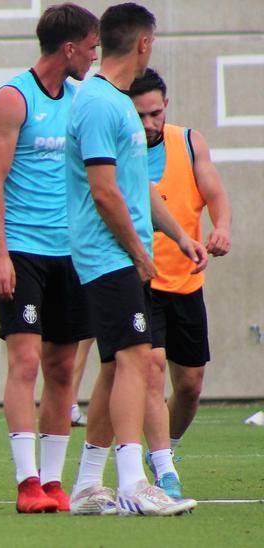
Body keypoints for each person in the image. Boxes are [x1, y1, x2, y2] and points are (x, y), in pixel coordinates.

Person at [63, 2, 206, 517]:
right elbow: (104, 193)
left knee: (113, 367)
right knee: (136, 360)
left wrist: (180, 235)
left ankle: (85, 486)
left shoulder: (117, 102)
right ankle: (132, 482)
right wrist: (139, 252)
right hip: (107, 256)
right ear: (143, 43)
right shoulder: (101, 104)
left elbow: (135, 186)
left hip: (117, 254)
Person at [0, 3, 99, 513]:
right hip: (24, 253)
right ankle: (27, 481)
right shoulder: (13, 98)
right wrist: (0, 256)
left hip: (69, 254)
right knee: (26, 362)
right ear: (68, 47)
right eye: (91, 48)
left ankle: (53, 483)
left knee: (62, 369)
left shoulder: (79, 100)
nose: (95, 57)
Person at [128, 67, 232, 500]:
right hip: (139, 281)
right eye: (140, 116)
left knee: (189, 387)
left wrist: (221, 227)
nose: (149, 124)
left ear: (165, 106)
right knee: (150, 373)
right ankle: (164, 470)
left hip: (186, 283)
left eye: (155, 113)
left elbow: (215, 194)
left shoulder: (189, 142)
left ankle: (163, 451)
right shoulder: (118, 149)